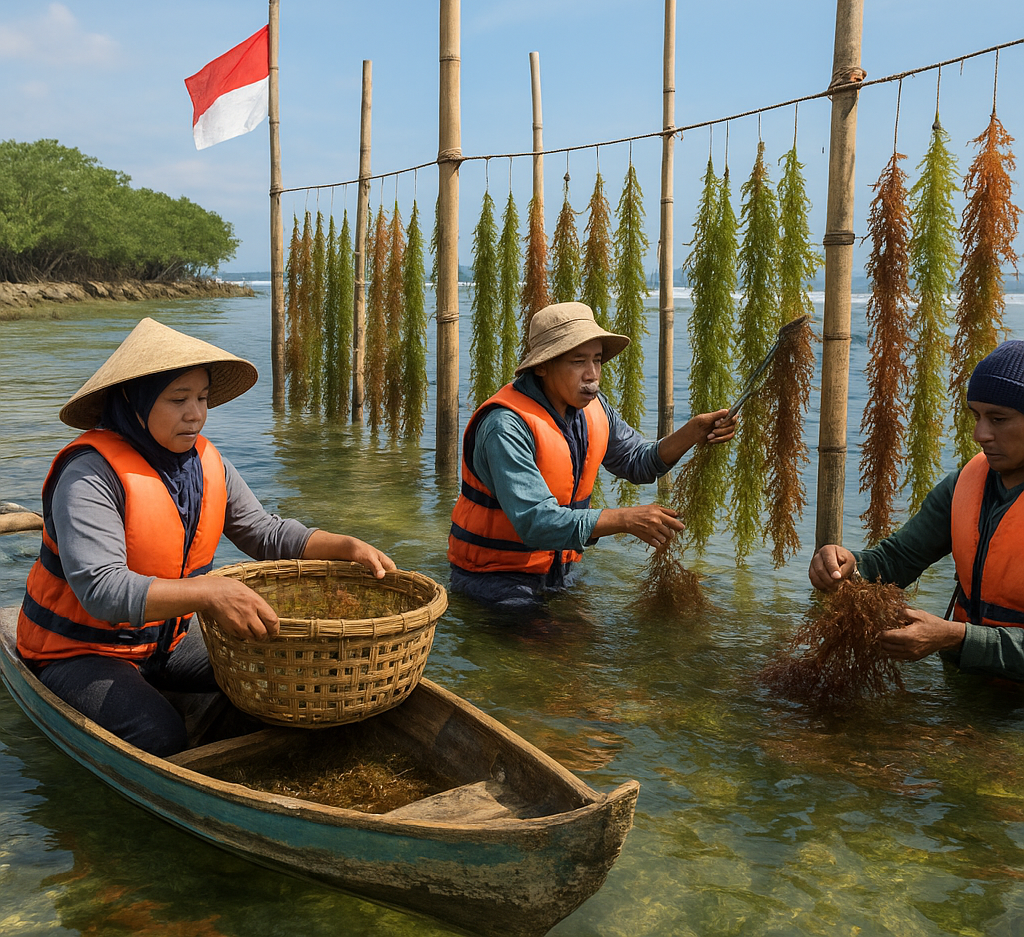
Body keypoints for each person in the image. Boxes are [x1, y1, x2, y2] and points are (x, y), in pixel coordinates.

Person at [17, 317, 395, 755]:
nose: (195, 413)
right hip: (81, 651)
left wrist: (343, 546)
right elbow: (101, 589)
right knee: (160, 735)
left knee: (282, 676)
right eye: (178, 399)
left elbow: (264, 533)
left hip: (167, 641)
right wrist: (209, 593)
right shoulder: (89, 475)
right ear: (133, 402)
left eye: (202, 398)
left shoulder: (205, 462)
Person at [448, 301, 736, 609]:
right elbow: (536, 523)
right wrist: (625, 519)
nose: (592, 375)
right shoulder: (505, 427)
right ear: (542, 366)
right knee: (568, 650)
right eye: (578, 361)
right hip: (493, 580)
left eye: (597, 360)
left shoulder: (593, 409)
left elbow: (638, 462)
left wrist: (691, 433)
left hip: (559, 572)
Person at [808, 339, 1024, 683]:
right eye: (976, 416)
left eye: (998, 419)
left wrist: (956, 636)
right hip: (967, 687)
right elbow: (897, 559)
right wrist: (848, 566)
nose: (979, 434)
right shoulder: (966, 484)